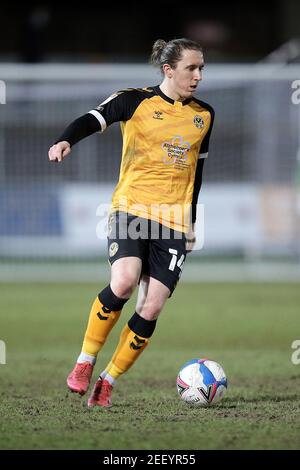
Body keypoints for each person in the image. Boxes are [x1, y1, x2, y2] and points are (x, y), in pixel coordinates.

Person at [48, 38, 214, 408]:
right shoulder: (134, 100)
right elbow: (92, 119)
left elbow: (196, 173)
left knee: (152, 306)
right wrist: (65, 140)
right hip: (132, 209)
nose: (198, 76)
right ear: (169, 70)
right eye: (191, 68)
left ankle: (107, 381)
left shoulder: (204, 115)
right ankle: (84, 362)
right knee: (123, 281)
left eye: (202, 68)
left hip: (172, 220)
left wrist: (190, 222)